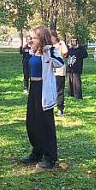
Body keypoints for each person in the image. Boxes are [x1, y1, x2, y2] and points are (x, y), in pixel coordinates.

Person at [20, 25, 65, 169]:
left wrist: (49, 50)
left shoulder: (49, 52)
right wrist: (33, 47)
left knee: (45, 124)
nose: (32, 40)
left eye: (35, 37)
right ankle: (37, 152)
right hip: (33, 88)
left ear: (42, 38)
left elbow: (60, 63)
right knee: (32, 123)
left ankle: (50, 157)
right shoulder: (34, 51)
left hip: (43, 90)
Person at [51, 31, 69, 116]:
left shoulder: (61, 45)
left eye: (51, 37)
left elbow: (65, 53)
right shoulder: (49, 46)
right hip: (51, 71)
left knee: (59, 90)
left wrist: (63, 43)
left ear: (55, 37)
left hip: (60, 71)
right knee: (51, 90)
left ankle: (60, 108)